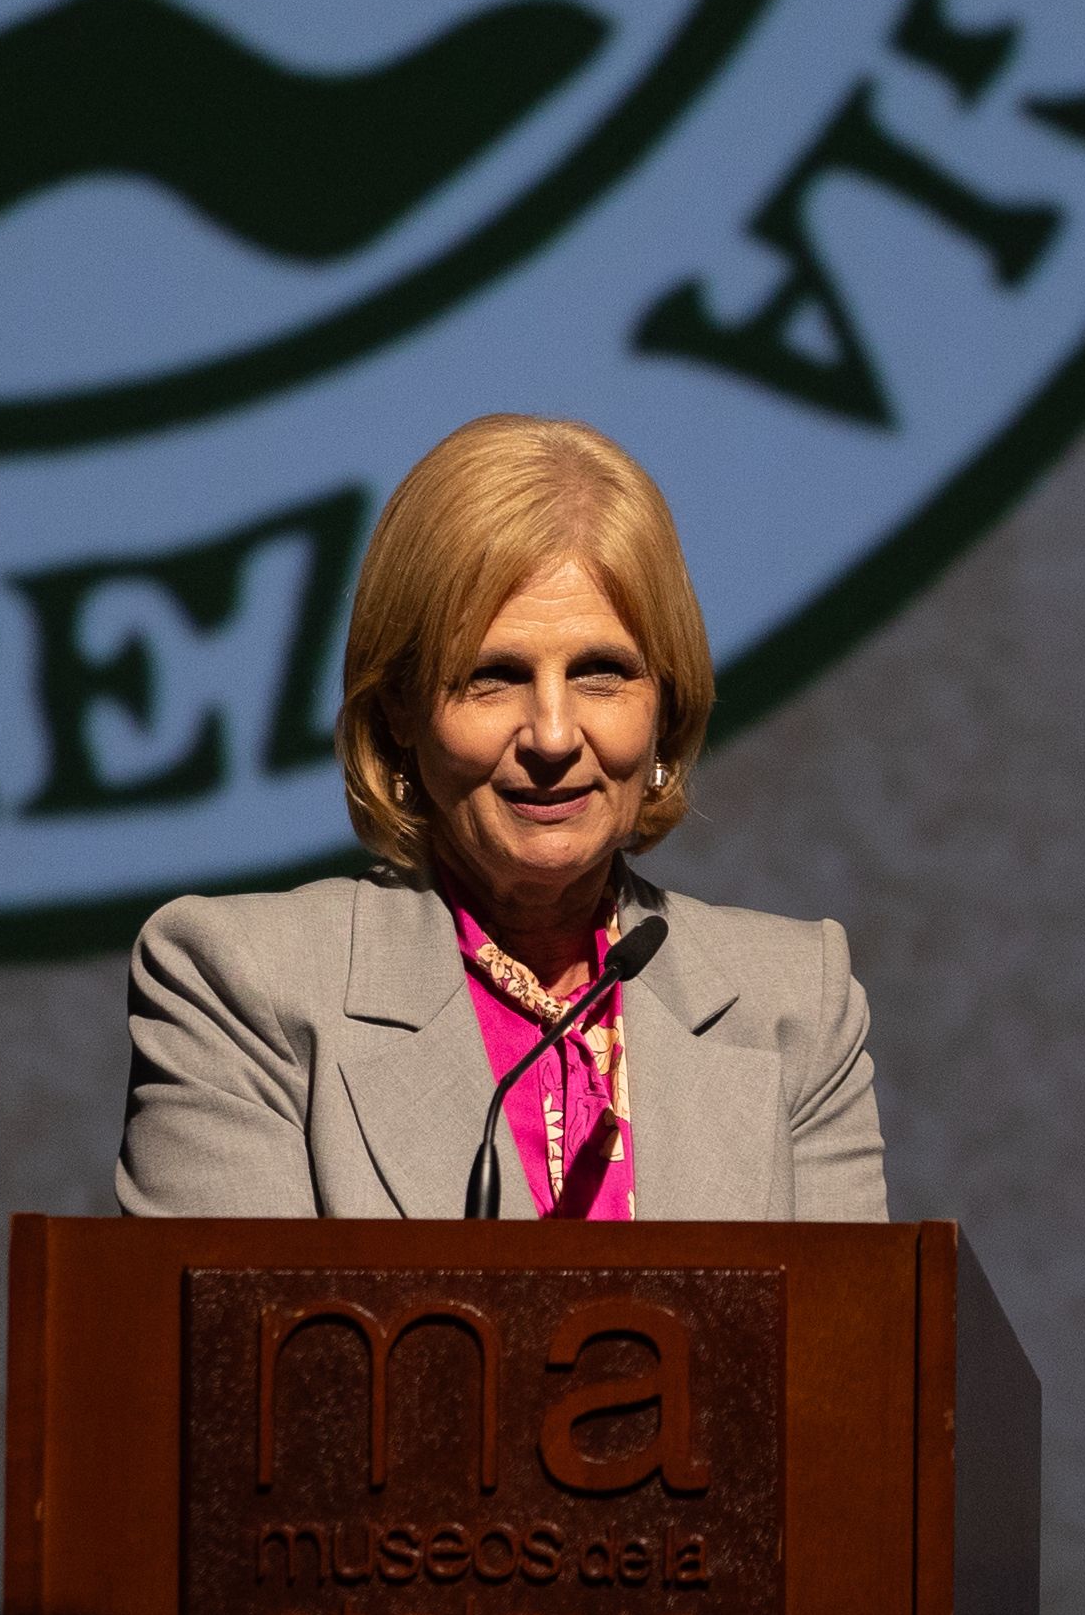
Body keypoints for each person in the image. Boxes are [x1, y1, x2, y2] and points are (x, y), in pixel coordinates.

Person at [115, 415, 888, 1220]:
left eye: (600, 672)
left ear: (668, 702)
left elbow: (845, 1342)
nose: (552, 735)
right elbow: (236, 1344)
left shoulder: (794, 1004)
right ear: (398, 715)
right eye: (492, 676)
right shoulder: (240, 986)